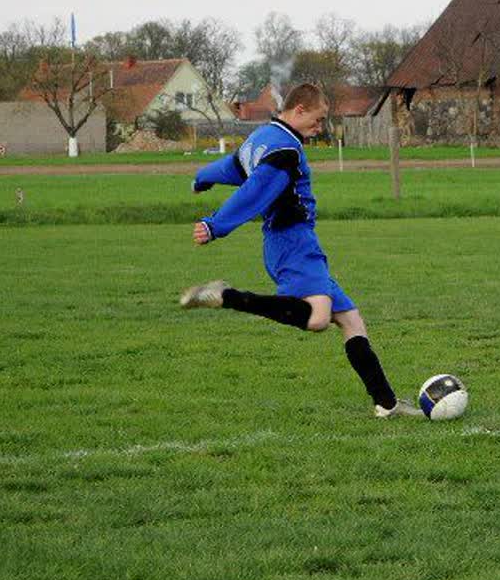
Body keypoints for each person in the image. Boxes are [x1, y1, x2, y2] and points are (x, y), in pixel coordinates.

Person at [178, 83, 417, 418]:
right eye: (317, 121)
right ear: (299, 110)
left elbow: (234, 167)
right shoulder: (286, 150)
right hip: (292, 242)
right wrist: (216, 225)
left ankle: (387, 404)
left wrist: (202, 177)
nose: (319, 129)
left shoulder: (263, 137)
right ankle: (226, 295)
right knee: (318, 318)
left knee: (350, 319)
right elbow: (256, 189)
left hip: (297, 242)